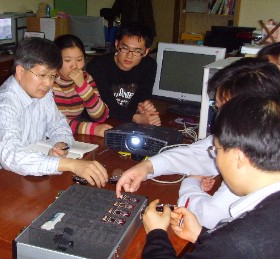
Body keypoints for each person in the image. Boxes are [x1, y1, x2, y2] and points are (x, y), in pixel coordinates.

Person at [116, 57, 280, 228]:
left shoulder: (254, 163)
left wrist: (191, 182)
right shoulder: (264, 133)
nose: (218, 116)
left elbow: (209, 217)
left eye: (222, 108)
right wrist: (147, 167)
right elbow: (199, 152)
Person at [142, 94, 280, 259]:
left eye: (217, 151)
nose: (216, 160)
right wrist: (202, 235)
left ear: (238, 157)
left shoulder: (242, 241)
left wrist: (156, 234)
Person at [0, 37, 108, 187]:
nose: (48, 83)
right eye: (42, 75)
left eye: (52, 76)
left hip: (31, 170)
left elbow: (58, 124)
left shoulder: (41, 91)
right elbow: (12, 156)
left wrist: (61, 144)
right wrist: (71, 164)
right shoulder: (3, 106)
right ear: (20, 71)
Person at [87, 21, 161, 126]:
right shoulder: (97, 66)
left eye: (137, 51)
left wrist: (142, 107)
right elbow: (105, 106)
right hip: (98, 124)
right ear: (117, 44)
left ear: (146, 51)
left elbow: (142, 97)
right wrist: (136, 118)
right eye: (125, 48)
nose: (129, 56)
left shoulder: (149, 66)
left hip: (126, 123)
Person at [53, 34, 112, 137]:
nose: (74, 66)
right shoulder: (48, 80)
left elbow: (101, 116)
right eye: (67, 60)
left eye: (79, 60)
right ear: (55, 60)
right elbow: (52, 122)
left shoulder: (85, 78)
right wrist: (92, 129)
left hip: (73, 133)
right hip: (49, 135)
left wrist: (83, 86)